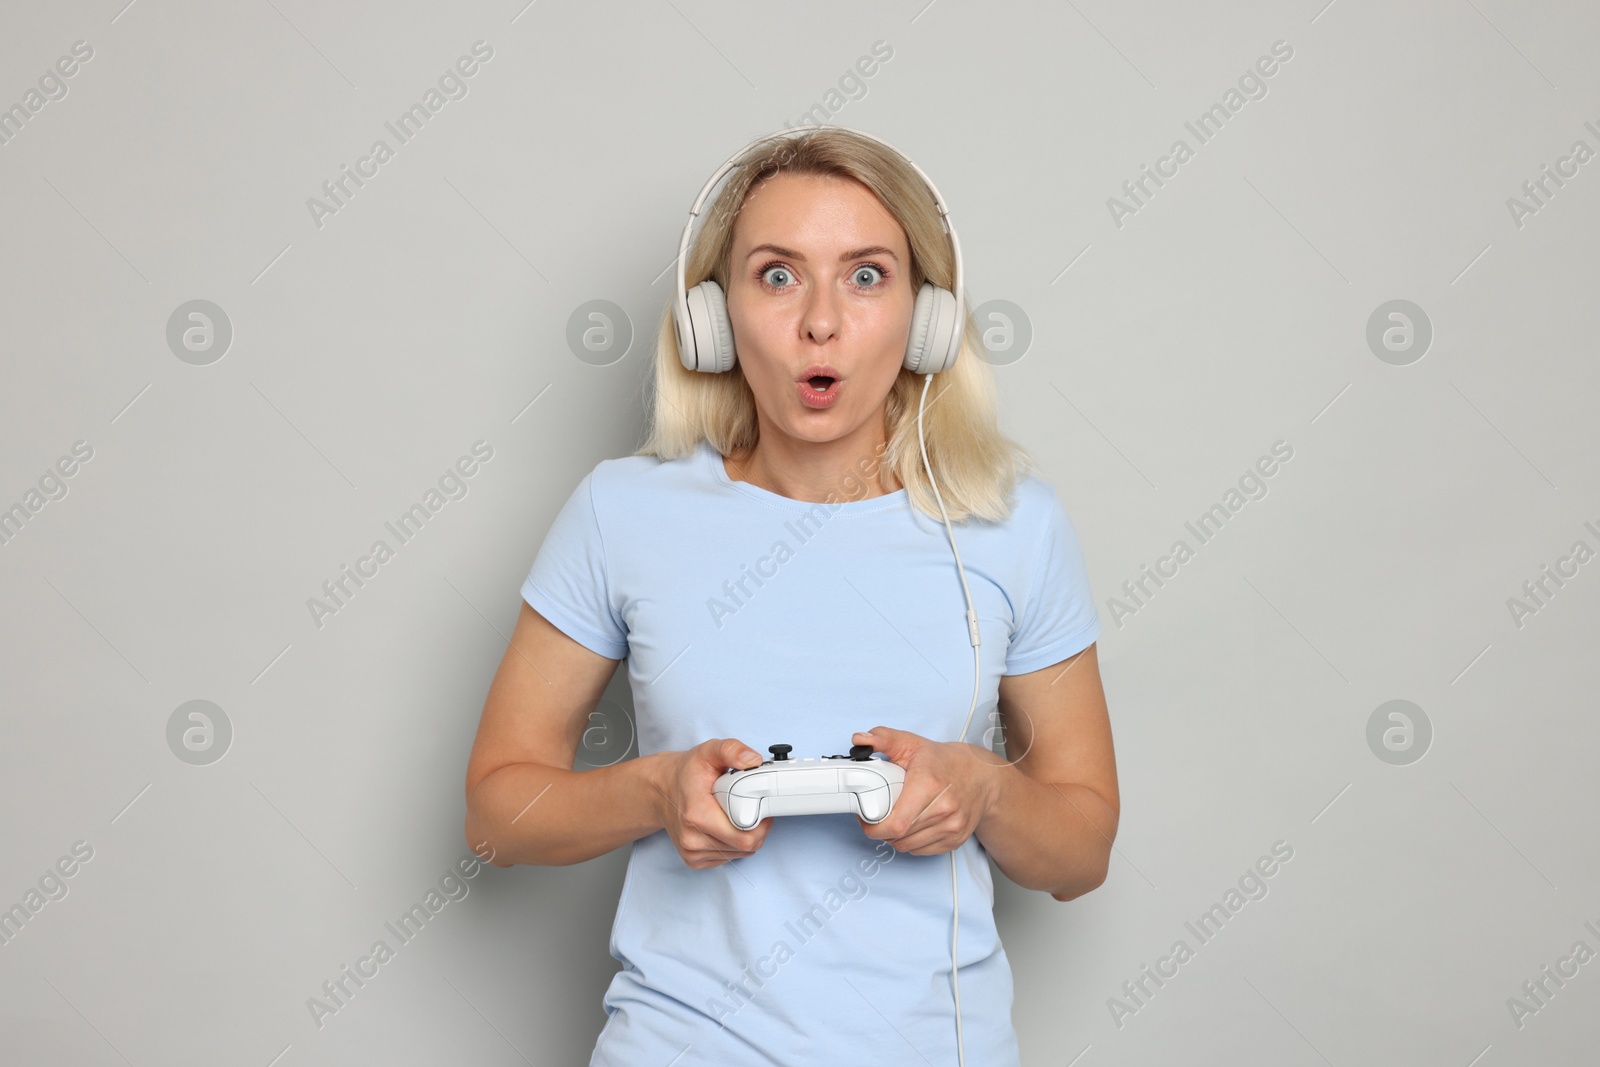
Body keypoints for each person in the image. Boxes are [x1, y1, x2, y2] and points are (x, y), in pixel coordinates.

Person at [463, 126, 1119, 1066]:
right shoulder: (622, 511)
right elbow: (495, 814)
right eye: (777, 275)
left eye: (865, 275)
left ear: (927, 316)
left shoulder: (1016, 525)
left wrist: (984, 791)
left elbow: (1082, 850)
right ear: (713, 317)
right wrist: (654, 792)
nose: (821, 322)